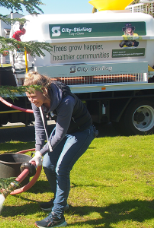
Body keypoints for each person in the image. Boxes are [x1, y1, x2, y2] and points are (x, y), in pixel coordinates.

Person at [24, 72, 96, 227]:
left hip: (81, 132)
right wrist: (37, 152)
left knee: (61, 169)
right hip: (64, 130)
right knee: (49, 164)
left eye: (33, 97)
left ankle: (58, 217)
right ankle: (60, 202)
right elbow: (39, 127)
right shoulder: (36, 100)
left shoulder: (66, 101)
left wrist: (40, 153)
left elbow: (60, 134)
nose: (31, 100)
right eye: (28, 97)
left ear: (44, 91)